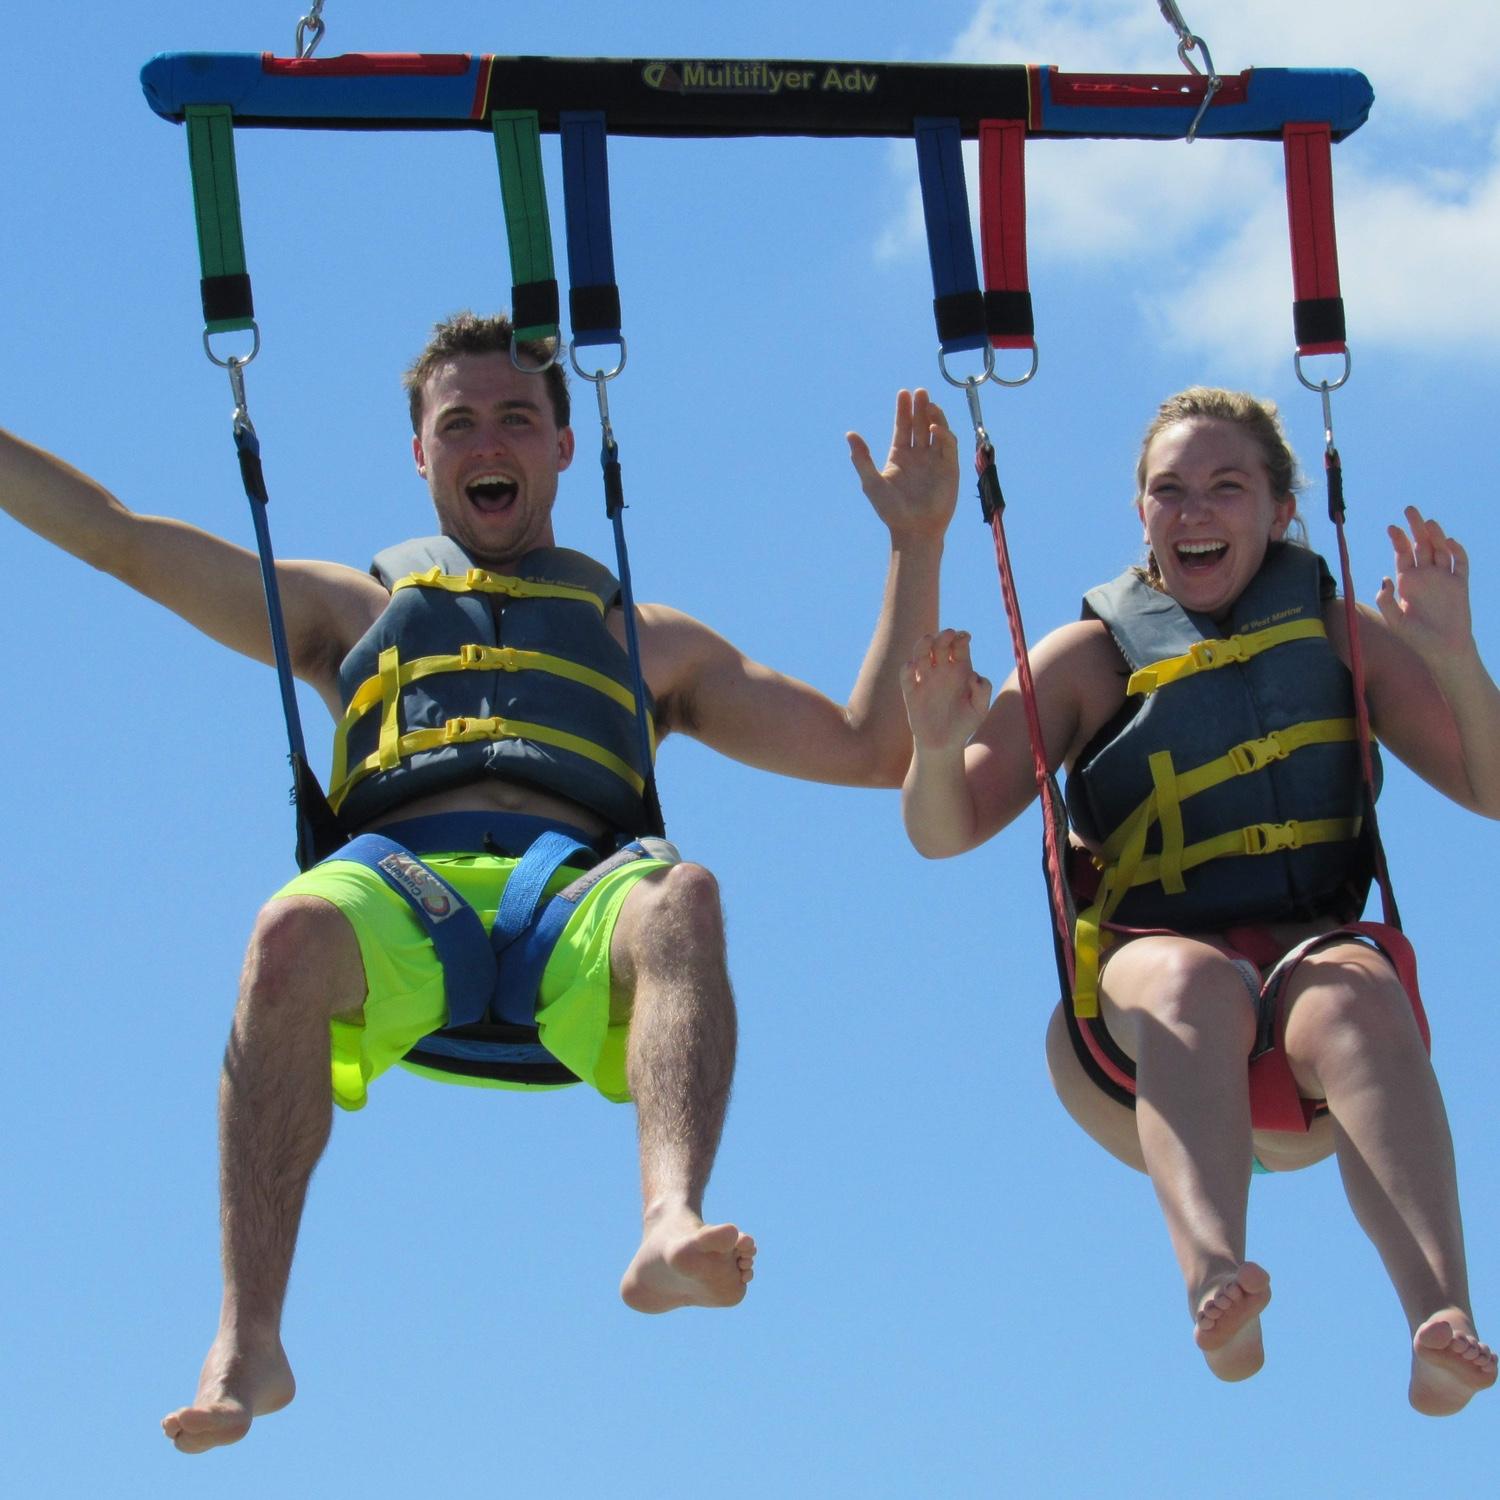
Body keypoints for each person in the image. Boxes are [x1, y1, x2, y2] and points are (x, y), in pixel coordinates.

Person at [0, 312, 959, 1452]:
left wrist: (916, 543)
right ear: (420, 454)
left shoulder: (647, 640)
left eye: (516, 416)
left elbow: (871, 748)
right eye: (458, 422)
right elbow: (117, 538)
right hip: (399, 891)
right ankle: (247, 1338)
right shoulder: (347, 611)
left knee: (682, 893)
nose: (486, 439)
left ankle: (667, 1220)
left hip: (575, 902)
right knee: (288, 933)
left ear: (561, 444)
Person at [900, 386, 1497, 1415]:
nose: (1194, 511)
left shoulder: (1334, 629)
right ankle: (1217, 1277)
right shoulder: (1088, 656)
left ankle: (1441, 1320)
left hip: (1305, 984)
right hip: (1138, 1011)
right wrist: (935, 747)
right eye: (1168, 490)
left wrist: (1454, 655)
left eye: (1227, 487)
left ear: (1280, 511)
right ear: (1141, 514)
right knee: (1193, 980)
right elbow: (943, 831)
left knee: (1356, 990)